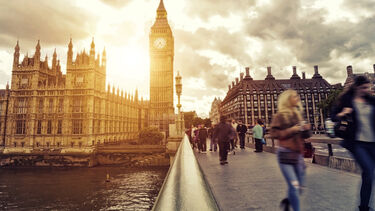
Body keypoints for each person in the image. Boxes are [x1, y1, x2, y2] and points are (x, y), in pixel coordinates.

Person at [331, 76, 375, 211]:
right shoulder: (347, 100)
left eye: (368, 87)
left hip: (373, 143)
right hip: (357, 143)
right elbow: (333, 116)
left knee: (368, 175)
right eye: (364, 88)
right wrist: (343, 113)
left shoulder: (372, 101)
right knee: (368, 172)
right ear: (356, 87)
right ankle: (364, 208)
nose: (367, 90)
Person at [270, 89, 312, 211]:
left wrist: (306, 129)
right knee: (294, 185)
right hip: (285, 155)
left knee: (299, 187)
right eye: (294, 96)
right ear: (287, 100)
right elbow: (273, 133)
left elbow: (305, 136)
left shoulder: (298, 115)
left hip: (298, 156)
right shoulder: (279, 116)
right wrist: (292, 130)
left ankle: (288, 201)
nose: (297, 98)